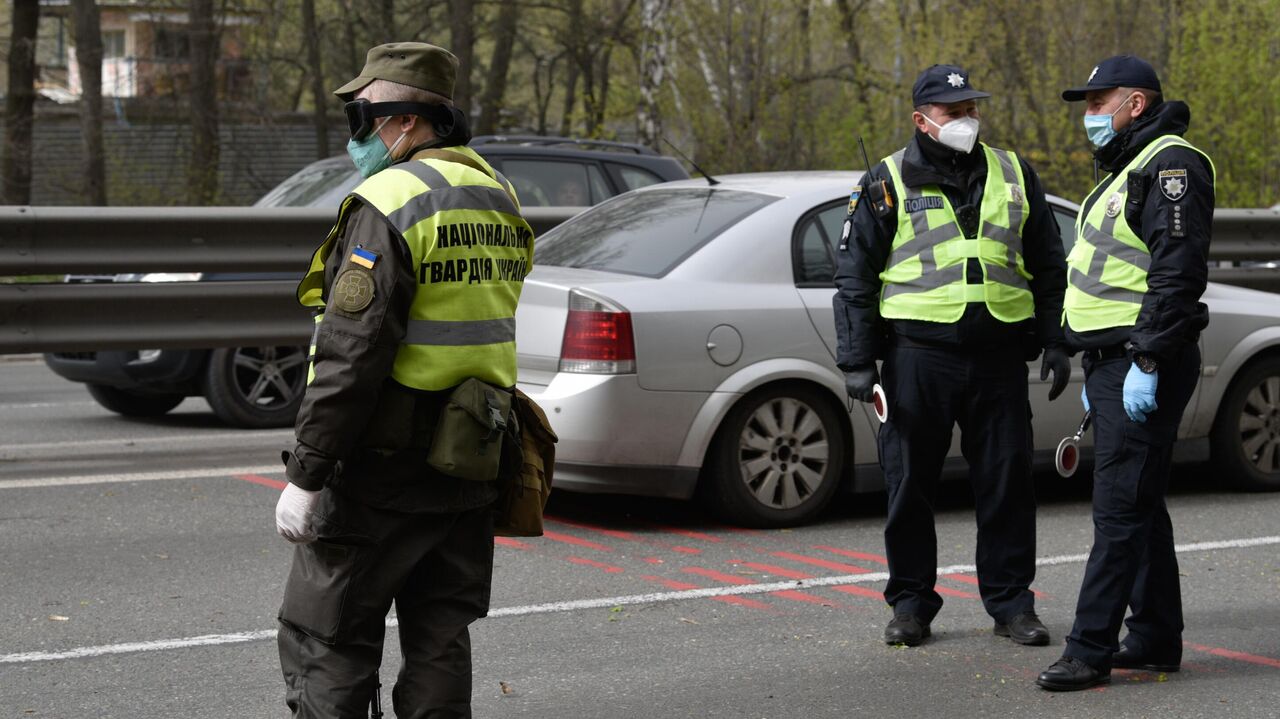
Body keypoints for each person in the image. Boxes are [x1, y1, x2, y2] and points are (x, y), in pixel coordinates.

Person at [273, 42, 534, 717]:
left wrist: (306, 473)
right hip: (472, 456)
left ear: (410, 121)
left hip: (381, 467)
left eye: (364, 117)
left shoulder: (390, 201)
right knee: (440, 632)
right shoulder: (498, 195)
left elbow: (350, 356)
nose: (357, 135)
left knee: (328, 635)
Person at [833, 64, 1069, 647]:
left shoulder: (1014, 173)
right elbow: (854, 277)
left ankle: (1012, 604)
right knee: (908, 485)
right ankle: (911, 605)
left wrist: (1059, 340)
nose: (967, 119)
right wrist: (857, 360)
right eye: (953, 111)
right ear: (922, 120)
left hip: (999, 359)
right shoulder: (885, 180)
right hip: (917, 358)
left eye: (971, 108)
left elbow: (1047, 263)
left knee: (1008, 484)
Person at [1037, 55, 1215, 692]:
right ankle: (1156, 636)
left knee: (1118, 510)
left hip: (1147, 362)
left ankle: (1089, 650)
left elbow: (1176, 277)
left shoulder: (1171, 166)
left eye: (1096, 102)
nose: (1088, 115)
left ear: (1134, 104)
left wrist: (1142, 359)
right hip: (1118, 361)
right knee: (1141, 505)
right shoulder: (1124, 170)